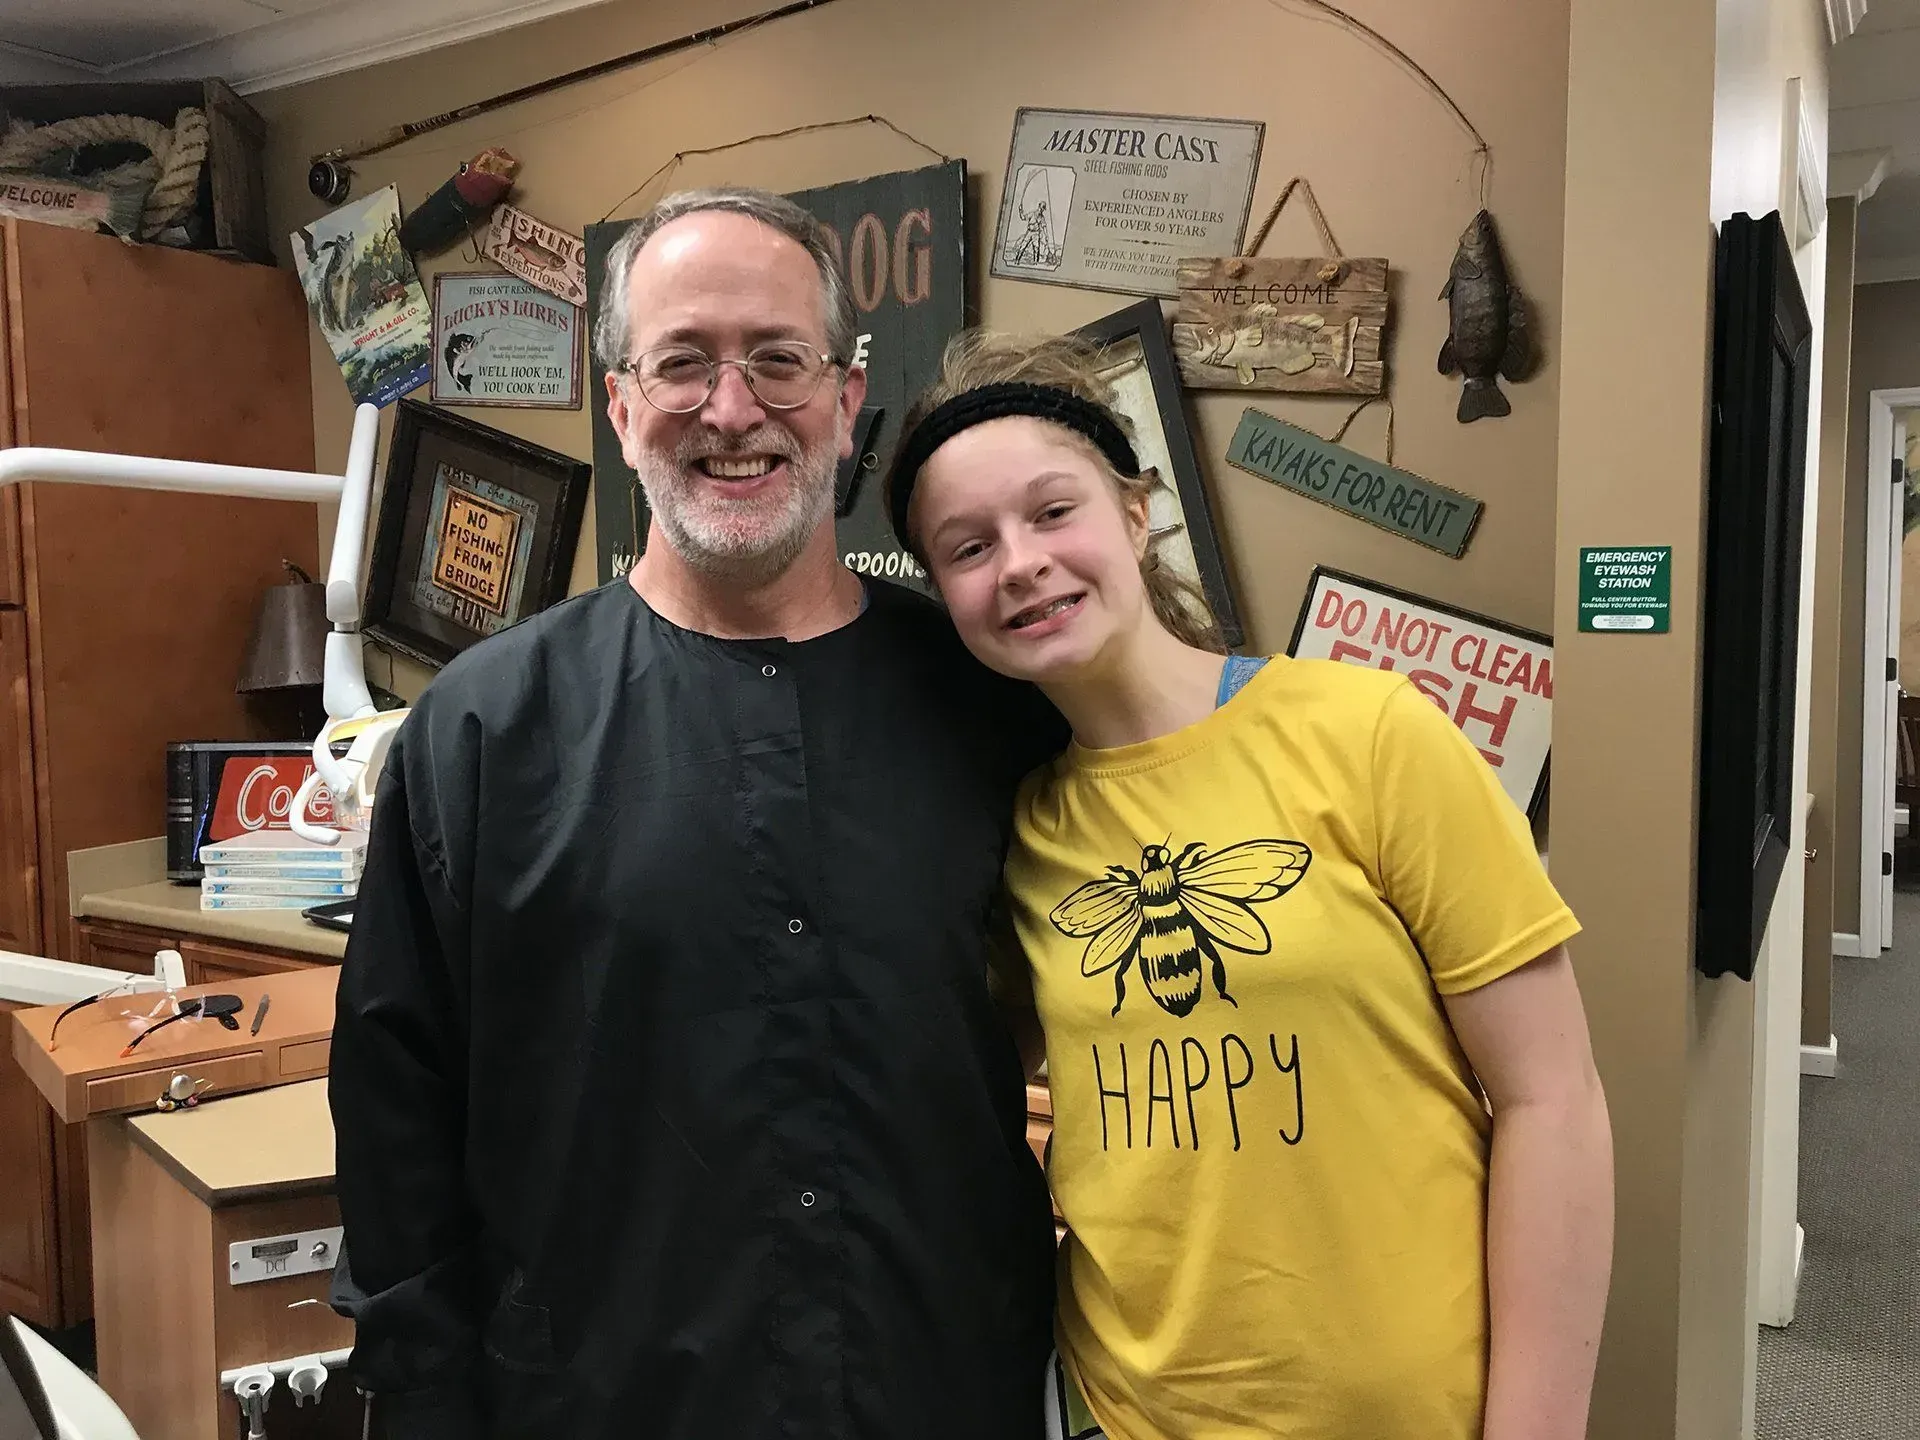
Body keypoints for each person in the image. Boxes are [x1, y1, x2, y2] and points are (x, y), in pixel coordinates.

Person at [327, 191, 1064, 1440]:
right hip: (601, 1406)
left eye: (778, 359)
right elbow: (398, 1121)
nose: (732, 410)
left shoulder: (990, 704)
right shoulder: (483, 731)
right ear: (621, 408)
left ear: (846, 395)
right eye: (682, 364)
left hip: (945, 1391)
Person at [885, 331, 1616, 1440]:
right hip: (1122, 1412)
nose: (1020, 562)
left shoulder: (1368, 733)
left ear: (1137, 514)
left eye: (1053, 511)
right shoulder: (1017, 833)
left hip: (1408, 1413)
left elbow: (1551, 1100)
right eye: (968, 547)